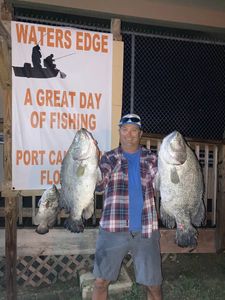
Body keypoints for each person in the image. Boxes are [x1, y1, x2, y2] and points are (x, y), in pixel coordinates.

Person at [92, 113, 163, 300]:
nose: (129, 134)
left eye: (134, 130)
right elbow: (99, 185)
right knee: (100, 282)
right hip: (112, 228)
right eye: (125, 129)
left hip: (145, 229)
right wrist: (91, 163)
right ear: (119, 132)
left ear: (140, 134)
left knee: (153, 285)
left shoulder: (152, 158)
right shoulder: (109, 158)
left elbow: (161, 184)